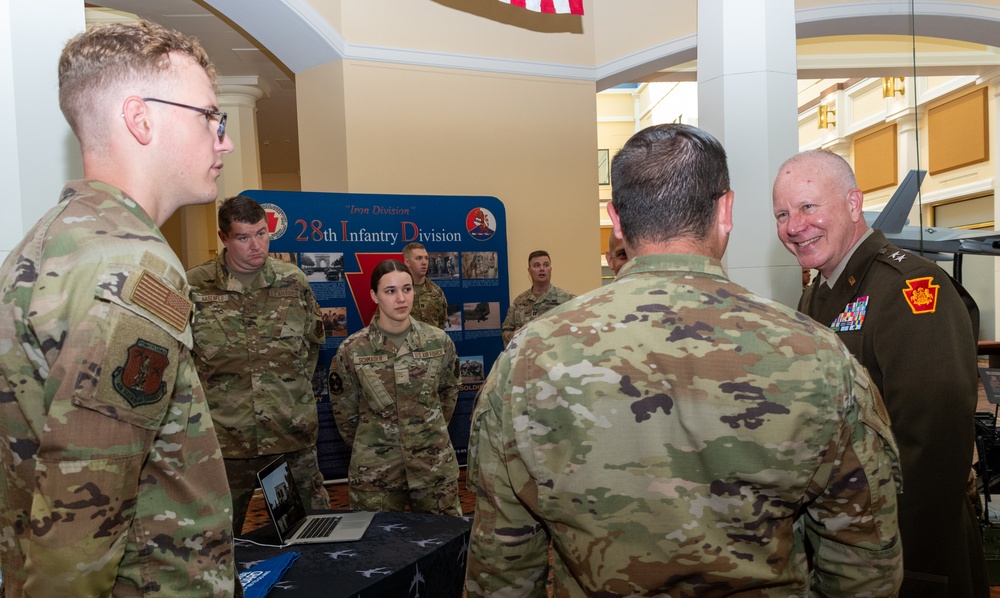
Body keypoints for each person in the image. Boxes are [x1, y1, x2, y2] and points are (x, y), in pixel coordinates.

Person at [465, 124, 903, 596]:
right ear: (726, 210)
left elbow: (502, 570)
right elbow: (863, 559)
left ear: (615, 218)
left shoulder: (528, 361)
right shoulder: (817, 358)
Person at [0, 21, 237, 596]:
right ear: (141, 119)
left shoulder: (48, 242)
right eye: (211, 117)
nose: (224, 140)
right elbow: (80, 514)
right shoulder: (134, 265)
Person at [772, 149, 987, 597]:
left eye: (809, 206)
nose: (794, 226)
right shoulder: (817, 297)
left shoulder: (909, 289)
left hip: (906, 549)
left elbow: (932, 443)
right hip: (847, 543)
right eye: (783, 214)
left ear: (853, 204)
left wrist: (877, 550)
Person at [187, 195, 330, 537]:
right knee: (216, 539)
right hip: (224, 441)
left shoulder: (292, 282)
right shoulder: (194, 286)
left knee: (314, 534)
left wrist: (286, 394)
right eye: (243, 237)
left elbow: (311, 347)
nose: (256, 246)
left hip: (290, 434)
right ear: (223, 238)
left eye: (262, 234)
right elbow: (181, 362)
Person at [329, 260, 462, 515]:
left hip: (432, 466)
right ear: (374, 296)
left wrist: (424, 432)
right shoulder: (352, 349)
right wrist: (377, 442)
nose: (401, 298)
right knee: (377, 547)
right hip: (376, 472)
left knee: (445, 545)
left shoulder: (438, 342)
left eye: (407, 289)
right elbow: (345, 414)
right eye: (390, 291)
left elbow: (448, 394)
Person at [500, 250, 575, 347]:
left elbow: (579, 327)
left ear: (550, 269)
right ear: (529, 271)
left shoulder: (566, 299)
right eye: (536, 265)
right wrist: (514, 335)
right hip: (527, 359)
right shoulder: (520, 302)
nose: (542, 269)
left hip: (556, 358)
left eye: (546, 265)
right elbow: (506, 330)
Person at [402, 242, 448, 329]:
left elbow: (442, 323)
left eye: (426, 258)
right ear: (407, 262)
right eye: (419, 258)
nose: (424, 262)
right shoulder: (396, 293)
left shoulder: (436, 291)